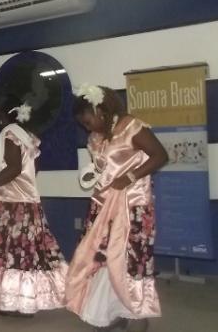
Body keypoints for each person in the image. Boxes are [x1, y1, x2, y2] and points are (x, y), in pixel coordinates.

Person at [65, 84, 167, 332]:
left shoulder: (131, 126)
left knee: (130, 262)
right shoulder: (95, 138)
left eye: (87, 120)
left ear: (100, 109)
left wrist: (130, 177)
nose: (86, 127)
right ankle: (110, 312)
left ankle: (136, 315)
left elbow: (160, 155)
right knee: (101, 259)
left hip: (133, 208)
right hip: (103, 207)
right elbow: (103, 170)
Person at [0, 98, 68, 316]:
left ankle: (13, 302)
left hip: (12, 207)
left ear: (5, 114)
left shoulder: (10, 134)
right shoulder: (28, 137)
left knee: (8, 255)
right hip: (28, 204)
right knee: (25, 256)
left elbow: (13, 169)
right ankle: (23, 303)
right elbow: (32, 170)